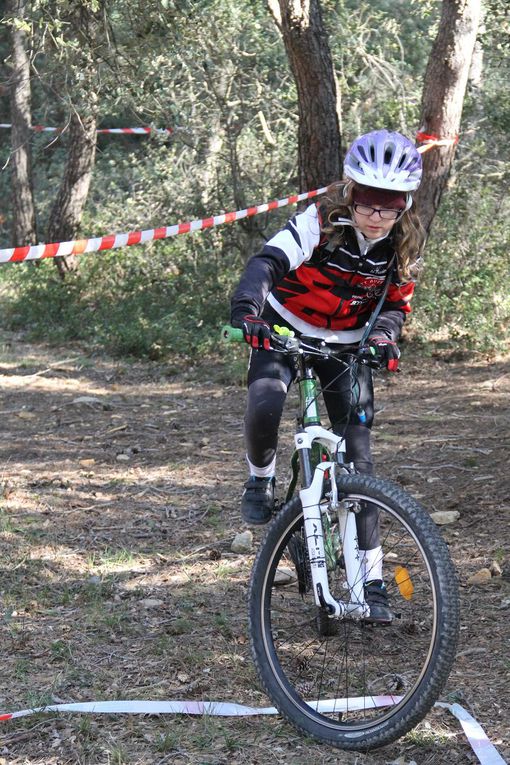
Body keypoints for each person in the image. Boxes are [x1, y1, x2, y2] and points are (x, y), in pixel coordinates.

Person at [230, 129, 426, 622]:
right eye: (367, 201)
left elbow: (396, 307)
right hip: (284, 326)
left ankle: (371, 582)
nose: (376, 215)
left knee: (359, 459)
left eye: (389, 205)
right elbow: (267, 263)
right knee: (266, 402)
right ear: (351, 191)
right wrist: (248, 310)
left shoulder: (404, 243)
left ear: (404, 204)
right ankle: (260, 478)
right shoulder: (320, 221)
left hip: (346, 344)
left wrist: (384, 336)